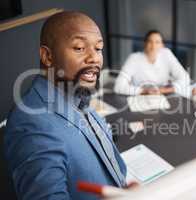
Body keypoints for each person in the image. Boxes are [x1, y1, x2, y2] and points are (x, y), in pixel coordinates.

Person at [4, 11, 127, 200]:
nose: (94, 58)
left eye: (98, 48)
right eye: (79, 48)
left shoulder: (78, 96)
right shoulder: (30, 124)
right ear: (47, 56)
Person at [114, 30, 190, 96]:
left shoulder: (167, 54)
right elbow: (118, 87)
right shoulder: (134, 58)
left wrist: (164, 90)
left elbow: (185, 78)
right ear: (145, 44)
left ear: (162, 45)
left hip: (164, 95)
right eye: (150, 41)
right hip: (141, 97)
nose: (153, 46)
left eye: (157, 42)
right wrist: (144, 91)